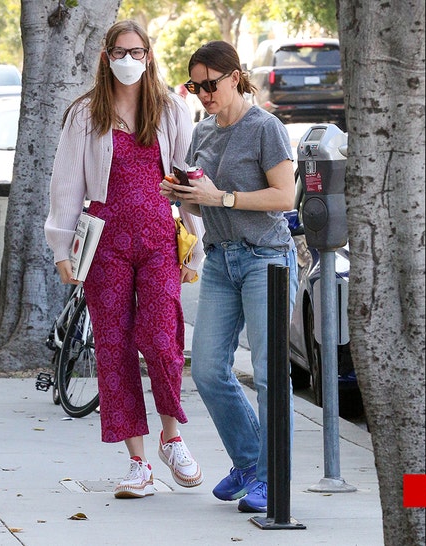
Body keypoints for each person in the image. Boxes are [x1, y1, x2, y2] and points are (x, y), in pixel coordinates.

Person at [44, 20, 205, 499]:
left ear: (149, 56)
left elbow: (187, 180)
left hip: (158, 234)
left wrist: (193, 244)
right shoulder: (84, 115)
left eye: (137, 52)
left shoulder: (172, 110)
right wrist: (61, 249)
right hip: (104, 240)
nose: (129, 60)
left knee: (160, 339)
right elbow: (66, 184)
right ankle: (137, 464)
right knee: (113, 349)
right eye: (120, 51)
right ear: (106, 56)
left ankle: (171, 438)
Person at [160, 40, 298, 513]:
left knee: (268, 373)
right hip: (220, 259)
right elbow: (201, 200)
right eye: (195, 86)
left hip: (267, 259)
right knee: (208, 369)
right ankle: (250, 463)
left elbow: (285, 197)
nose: (203, 94)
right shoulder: (202, 133)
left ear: (235, 76)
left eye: (210, 84)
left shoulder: (266, 128)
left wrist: (225, 199)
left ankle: (272, 479)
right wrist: (180, 194)